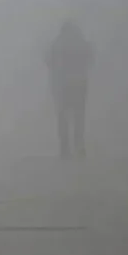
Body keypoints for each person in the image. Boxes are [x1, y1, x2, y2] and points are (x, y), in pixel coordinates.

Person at [45, 19, 94, 158]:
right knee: (79, 117)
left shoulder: (57, 43)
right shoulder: (81, 42)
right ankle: (79, 146)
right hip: (79, 85)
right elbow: (90, 58)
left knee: (62, 118)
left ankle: (64, 149)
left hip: (62, 86)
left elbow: (48, 61)